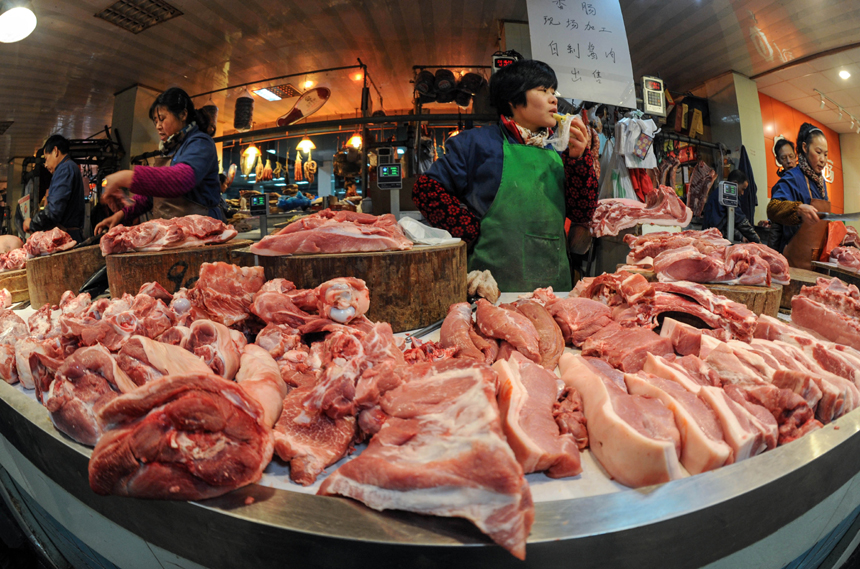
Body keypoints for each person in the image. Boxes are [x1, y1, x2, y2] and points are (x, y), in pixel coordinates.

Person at [411, 59, 598, 292]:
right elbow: (426, 189)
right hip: (490, 288)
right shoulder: (475, 143)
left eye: (553, 91)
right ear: (513, 99)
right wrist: (468, 230)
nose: (554, 99)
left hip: (553, 289)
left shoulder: (560, 149)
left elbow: (582, 212)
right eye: (543, 90)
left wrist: (579, 160)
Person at [95, 87, 222, 235]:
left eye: (162, 119)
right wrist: (121, 215)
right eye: (155, 121)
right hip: (176, 234)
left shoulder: (200, 143)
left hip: (203, 233)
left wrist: (124, 177)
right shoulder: (172, 148)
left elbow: (181, 179)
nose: (158, 126)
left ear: (183, 114)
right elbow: (151, 198)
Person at [767, 122, 830, 267]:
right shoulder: (792, 177)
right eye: (818, 152)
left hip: (816, 261)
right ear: (804, 148)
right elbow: (772, 208)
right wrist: (798, 209)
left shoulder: (821, 182)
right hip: (794, 261)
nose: (823, 159)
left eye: (826, 154)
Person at [23, 135, 85, 242]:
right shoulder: (69, 167)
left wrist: (32, 223)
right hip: (69, 235)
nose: (46, 165)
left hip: (67, 237)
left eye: (46, 159)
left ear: (55, 151)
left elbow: (54, 211)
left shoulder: (65, 169)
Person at [702, 169, 760, 244]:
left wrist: (741, 237)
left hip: (711, 238)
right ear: (735, 183)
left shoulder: (719, 192)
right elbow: (741, 221)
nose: (742, 193)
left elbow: (726, 223)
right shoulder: (725, 195)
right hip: (714, 240)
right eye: (743, 189)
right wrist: (757, 240)